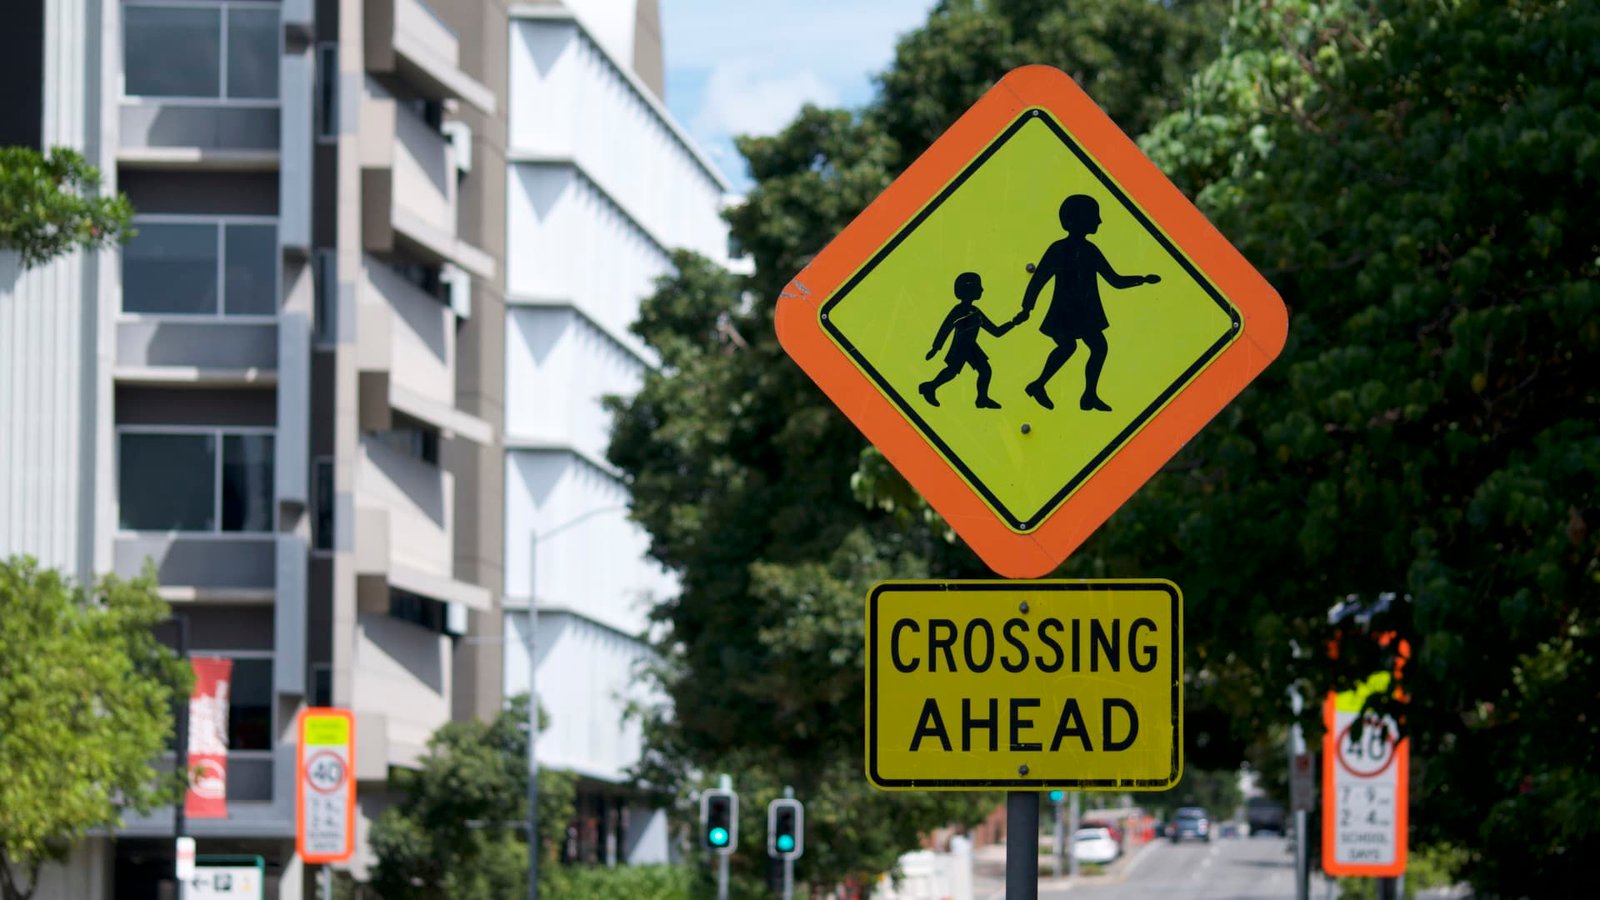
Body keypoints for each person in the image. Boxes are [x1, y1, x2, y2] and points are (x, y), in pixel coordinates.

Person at [1013, 194, 1161, 411]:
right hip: (1064, 314)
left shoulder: (1090, 250)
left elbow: (1115, 280)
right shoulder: (1059, 249)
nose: (1099, 221)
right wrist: (1027, 308)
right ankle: (1040, 385)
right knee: (1070, 346)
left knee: (1097, 347)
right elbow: (1039, 279)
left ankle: (1086, 395)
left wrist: (1142, 279)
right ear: (1080, 220)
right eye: (1094, 216)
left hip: (1084, 313)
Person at [919, 271, 1015, 409]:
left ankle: (982, 398)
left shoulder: (976, 311)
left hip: (971, 346)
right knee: (952, 372)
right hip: (960, 346)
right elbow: (945, 328)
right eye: (978, 287)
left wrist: (1013, 323)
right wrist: (935, 348)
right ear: (969, 290)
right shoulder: (958, 310)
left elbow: (996, 331)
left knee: (985, 370)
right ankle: (930, 387)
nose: (982, 289)